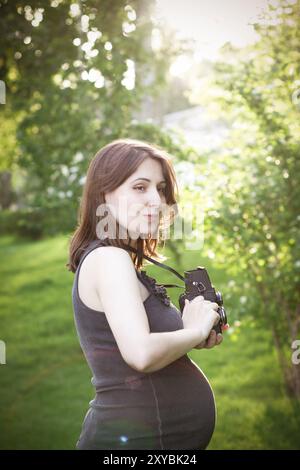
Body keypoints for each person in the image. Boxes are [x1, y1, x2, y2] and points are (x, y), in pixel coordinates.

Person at [67, 138, 225, 450]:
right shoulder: (109, 259)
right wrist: (193, 331)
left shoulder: (119, 259)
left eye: (161, 188)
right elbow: (140, 353)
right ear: (104, 193)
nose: (156, 199)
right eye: (140, 187)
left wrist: (193, 335)